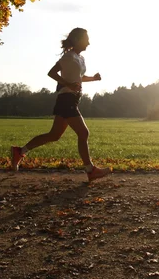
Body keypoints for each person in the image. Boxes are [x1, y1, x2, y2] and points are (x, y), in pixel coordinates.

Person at [10, 28, 110, 182]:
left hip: (73, 99)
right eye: (86, 39)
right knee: (83, 133)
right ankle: (90, 170)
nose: (89, 42)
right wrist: (67, 83)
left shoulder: (79, 58)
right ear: (77, 40)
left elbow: (79, 77)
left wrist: (93, 79)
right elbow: (52, 73)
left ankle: (19, 151)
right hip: (66, 99)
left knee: (54, 135)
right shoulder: (68, 57)